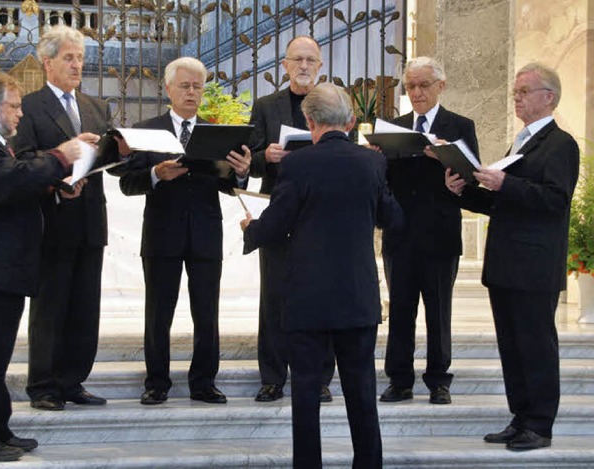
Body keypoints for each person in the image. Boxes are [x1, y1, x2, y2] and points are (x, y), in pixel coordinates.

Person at [241, 83, 402, 469]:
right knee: (362, 392)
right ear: (350, 121)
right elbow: (393, 218)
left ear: (309, 121)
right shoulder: (372, 162)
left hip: (308, 299)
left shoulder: (297, 164)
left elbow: (276, 224)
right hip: (357, 296)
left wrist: (250, 228)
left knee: (307, 395)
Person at [443, 63, 579, 450]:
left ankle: (540, 424)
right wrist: (464, 191)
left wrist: (507, 182)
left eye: (523, 91)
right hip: (506, 263)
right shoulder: (521, 141)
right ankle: (520, 417)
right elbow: (504, 204)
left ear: (548, 97)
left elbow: (554, 201)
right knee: (513, 347)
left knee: (536, 345)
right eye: (515, 92)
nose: (516, 98)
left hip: (535, 266)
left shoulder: (561, 144)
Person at [0, 69, 82, 461]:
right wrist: (62, 156)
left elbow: (13, 185)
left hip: (1, 266)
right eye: (13, 106)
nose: (19, 115)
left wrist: (52, 184)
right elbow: (7, 182)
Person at [115, 57, 251, 406]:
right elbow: (127, 184)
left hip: (205, 234)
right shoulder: (148, 130)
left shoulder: (217, 132)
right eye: (185, 86)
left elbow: (229, 185)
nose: (192, 93)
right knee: (158, 312)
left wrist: (239, 172)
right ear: (169, 88)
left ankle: (204, 382)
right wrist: (156, 174)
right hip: (162, 235)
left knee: (207, 312)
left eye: (197, 87)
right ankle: (157, 382)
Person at [12, 25, 114, 411]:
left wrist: (119, 149)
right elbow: (21, 160)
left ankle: (74, 381)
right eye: (69, 58)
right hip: (52, 220)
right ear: (47, 62)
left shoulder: (96, 107)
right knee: (50, 306)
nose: (76, 65)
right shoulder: (30, 106)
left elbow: (109, 163)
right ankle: (43, 385)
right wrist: (57, 173)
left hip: (91, 220)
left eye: (81, 58)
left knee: (85, 306)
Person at [379, 56, 479, 405]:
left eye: (424, 85)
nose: (417, 92)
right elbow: (383, 184)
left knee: (439, 311)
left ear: (441, 86)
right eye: (411, 86)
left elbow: (472, 179)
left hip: (440, 234)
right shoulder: (393, 127)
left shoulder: (460, 126)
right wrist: (375, 157)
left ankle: (439, 380)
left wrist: (445, 157)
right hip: (400, 234)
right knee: (401, 312)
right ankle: (399, 380)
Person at [248, 35, 335, 403]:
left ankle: (319, 379)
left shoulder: (334, 105)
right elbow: (246, 156)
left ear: (320, 66)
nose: (303, 66)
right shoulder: (267, 106)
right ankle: (272, 377)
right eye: (296, 59)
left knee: (322, 298)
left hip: (323, 215)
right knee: (274, 298)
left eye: (310, 60)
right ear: (284, 66)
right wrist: (264, 155)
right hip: (279, 211)